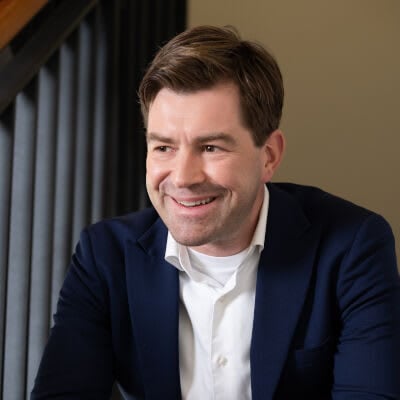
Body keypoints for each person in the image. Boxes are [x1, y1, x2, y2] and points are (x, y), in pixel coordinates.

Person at [31, 25, 400, 400]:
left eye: (210, 148)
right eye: (163, 148)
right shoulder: (104, 255)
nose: (182, 177)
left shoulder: (352, 247)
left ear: (269, 156)